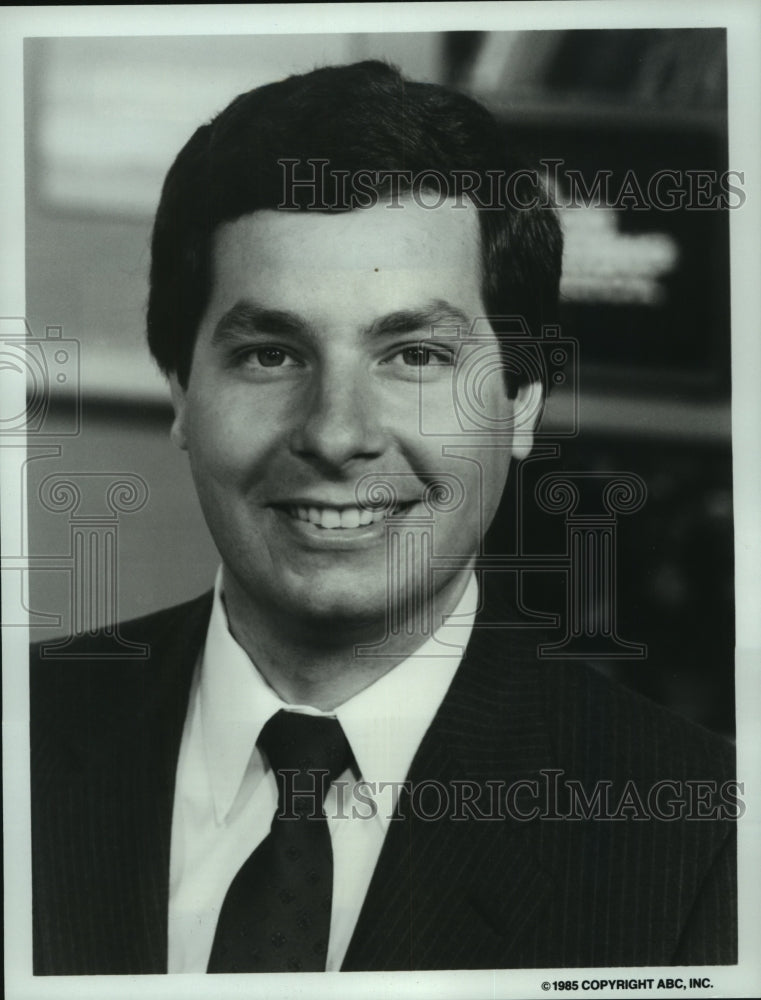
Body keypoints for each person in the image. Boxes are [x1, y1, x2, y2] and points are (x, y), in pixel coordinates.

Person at [30, 60, 737, 975]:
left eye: (413, 354)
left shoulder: (705, 845)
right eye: (270, 353)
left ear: (521, 400)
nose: (335, 433)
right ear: (181, 392)